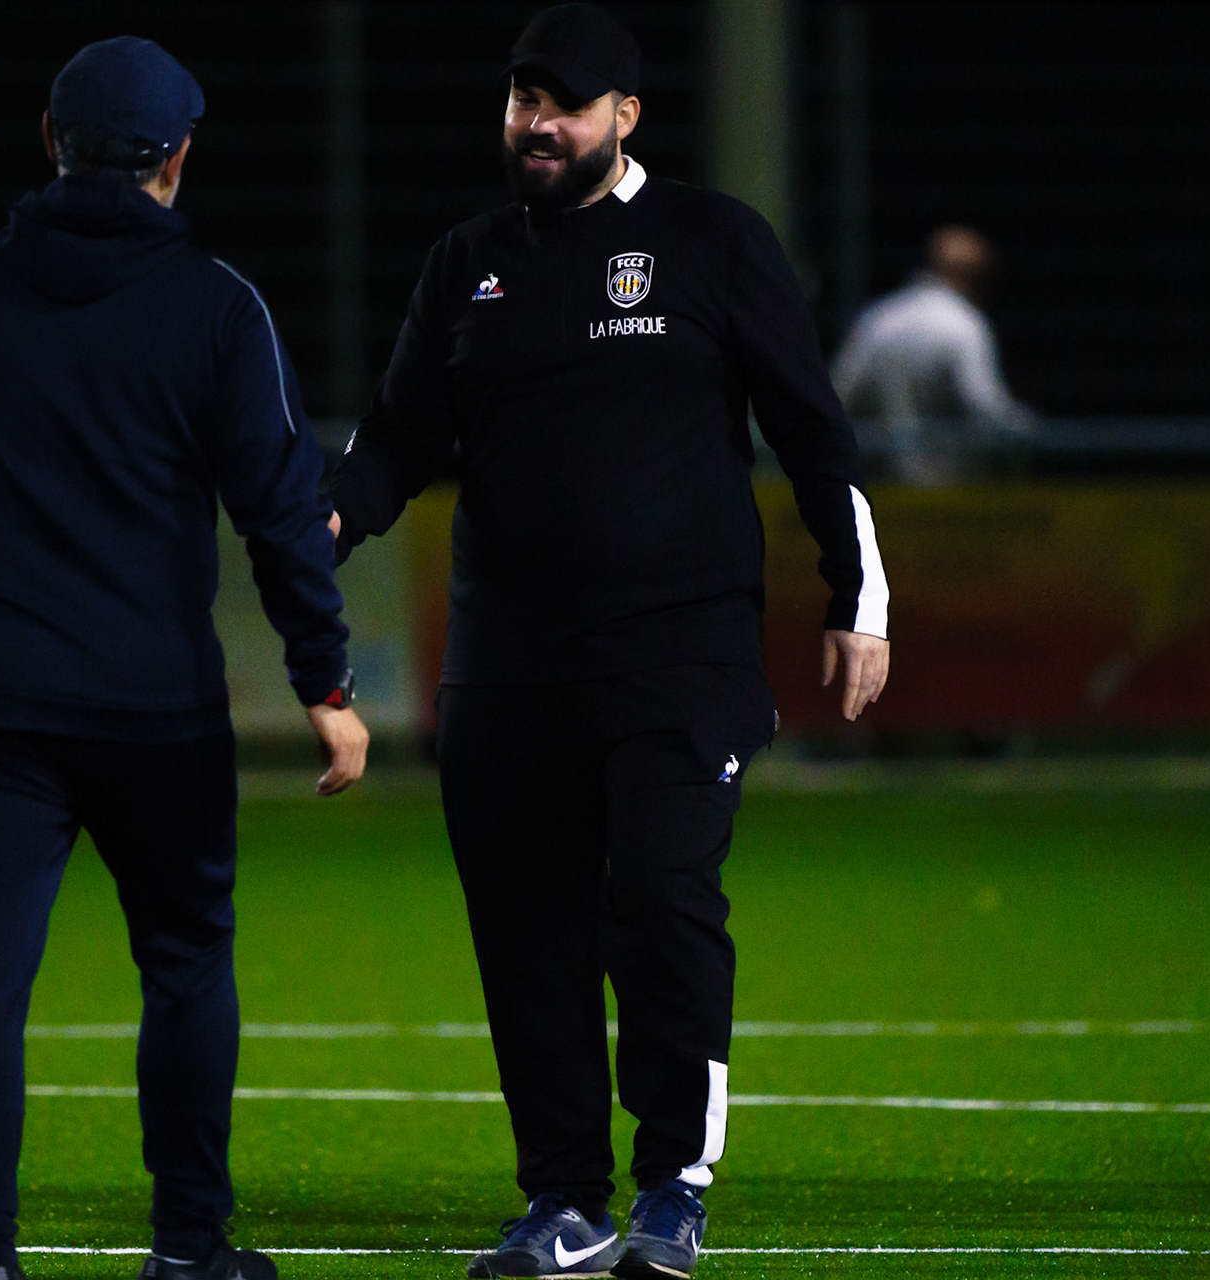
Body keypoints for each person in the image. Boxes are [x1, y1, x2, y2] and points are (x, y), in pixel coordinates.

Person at [327, 5, 889, 1277]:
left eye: (565, 104)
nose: (536, 123)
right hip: (506, 667)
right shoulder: (467, 262)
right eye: (521, 99)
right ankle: (564, 1201)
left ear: (626, 116)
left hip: (678, 658)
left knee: (663, 906)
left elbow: (813, 429)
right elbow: (397, 437)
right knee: (528, 937)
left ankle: (673, 1186)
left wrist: (861, 594)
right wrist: (327, 525)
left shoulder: (713, 242)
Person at [0, 35, 368, 1280]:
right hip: (153, 707)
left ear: (51, 145)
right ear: (177, 159)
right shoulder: (219, 307)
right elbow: (282, 515)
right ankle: (186, 1250)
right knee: (185, 966)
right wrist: (324, 681)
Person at [831, 224, 1035, 484]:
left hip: (880, 487)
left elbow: (838, 398)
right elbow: (984, 407)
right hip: (946, 491)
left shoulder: (879, 319)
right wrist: (1030, 431)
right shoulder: (964, 325)